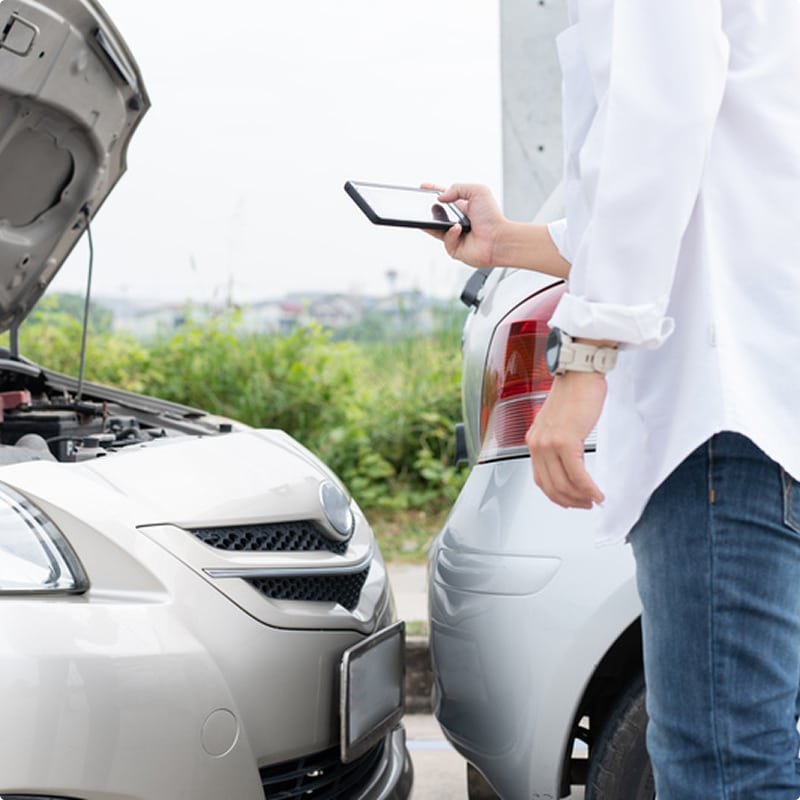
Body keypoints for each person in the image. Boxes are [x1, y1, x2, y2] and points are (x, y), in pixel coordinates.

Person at [428, 2, 800, 798]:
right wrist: (510, 242)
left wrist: (586, 354)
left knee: (724, 769)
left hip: (719, 418)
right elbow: (713, 175)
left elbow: (658, 121)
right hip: (760, 405)